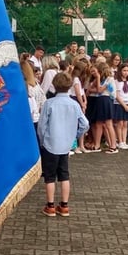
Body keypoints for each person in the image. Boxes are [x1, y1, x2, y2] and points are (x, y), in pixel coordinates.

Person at [38, 72, 90, 217]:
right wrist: (75, 135)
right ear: (70, 86)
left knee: (49, 176)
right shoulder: (74, 104)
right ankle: (64, 205)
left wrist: (42, 141)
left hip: (50, 143)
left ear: (54, 85)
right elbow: (85, 124)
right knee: (64, 175)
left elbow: (42, 127)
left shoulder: (49, 103)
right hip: (66, 145)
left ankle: (50, 206)